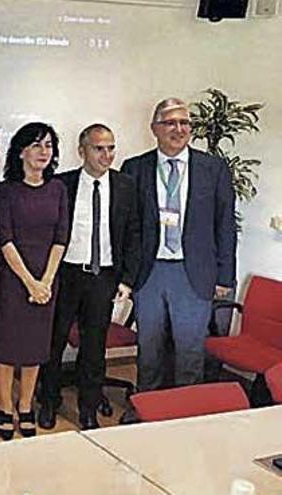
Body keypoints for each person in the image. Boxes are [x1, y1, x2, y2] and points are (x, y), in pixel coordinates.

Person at [122, 98, 236, 395]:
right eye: (170, 122)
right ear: (154, 128)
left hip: (194, 272)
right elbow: (126, 227)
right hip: (150, 272)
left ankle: (186, 412)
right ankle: (145, 406)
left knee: (190, 350)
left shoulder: (214, 168)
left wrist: (225, 277)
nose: (179, 129)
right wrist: (125, 275)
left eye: (184, 122)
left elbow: (225, 225)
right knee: (149, 348)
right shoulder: (135, 168)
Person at [37, 124, 140, 431]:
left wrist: (127, 280)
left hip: (103, 276)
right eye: (98, 148)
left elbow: (134, 234)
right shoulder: (61, 184)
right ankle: (49, 401)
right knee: (53, 342)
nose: (106, 155)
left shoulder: (126, 186)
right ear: (82, 151)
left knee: (94, 346)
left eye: (110, 148)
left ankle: (88, 408)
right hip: (66, 274)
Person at [0, 122, 69, 441]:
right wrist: (29, 282)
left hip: (48, 277)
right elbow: (4, 239)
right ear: (21, 150)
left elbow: (61, 237)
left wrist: (46, 281)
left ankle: (26, 406)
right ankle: (5, 407)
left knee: (36, 347)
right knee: (8, 346)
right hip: (13, 279)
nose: (43, 151)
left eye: (49, 145)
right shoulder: (6, 190)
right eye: (36, 145)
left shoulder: (59, 188)